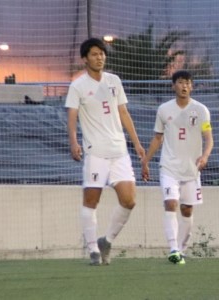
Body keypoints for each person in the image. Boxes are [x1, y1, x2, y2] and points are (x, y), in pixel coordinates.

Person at [66, 37, 145, 266]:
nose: (99, 57)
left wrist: (137, 143)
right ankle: (92, 250)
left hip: (119, 151)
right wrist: (73, 142)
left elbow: (124, 113)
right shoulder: (78, 86)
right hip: (95, 153)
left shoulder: (114, 81)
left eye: (102, 54)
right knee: (91, 201)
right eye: (94, 54)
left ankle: (106, 240)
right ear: (85, 59)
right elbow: (71, 117)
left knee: (129, 200)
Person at [141, 70, 214, 265]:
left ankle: (181, 249)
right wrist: (146, 161)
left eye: (187, 83)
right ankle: (173, 248)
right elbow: (158, 137)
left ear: (192, 86)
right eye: (180, 82)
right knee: (170, 203)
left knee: (187, 210)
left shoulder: (201, 110)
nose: (184, 86)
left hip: (191, 169)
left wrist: (205, 156)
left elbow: (209, 138)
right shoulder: (164, 109)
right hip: (169, 167)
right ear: (174, 85)